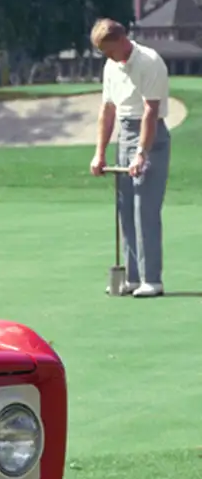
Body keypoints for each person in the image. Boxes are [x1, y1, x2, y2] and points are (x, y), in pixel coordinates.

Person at [89, 18, 170, 297]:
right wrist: (99, 152)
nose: (108, 57)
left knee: (144, 209)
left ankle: (152, 279)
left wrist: (141, 153)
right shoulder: (112, 66)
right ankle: (133, 277)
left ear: (122, 39)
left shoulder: (149, 61)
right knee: (125, 210)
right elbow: (108, 111)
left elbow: (150, 111)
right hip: (124, 135)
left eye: (109, 50)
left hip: (151, 137)